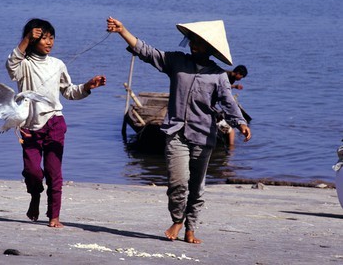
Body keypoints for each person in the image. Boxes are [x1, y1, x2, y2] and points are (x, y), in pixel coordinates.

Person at [107, 16, 251, 243]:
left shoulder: (219, 76)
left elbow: (228, 102)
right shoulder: (176, 62)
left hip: (203, 136)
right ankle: (177, 219)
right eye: (192, 40)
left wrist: (240, 123)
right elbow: (147, 52)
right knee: (177, 182)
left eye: (200, 42)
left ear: (210, 48)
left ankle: (191, 227)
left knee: (196, 186)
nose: (194, 45)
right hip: (176, 132)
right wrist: (123, 31)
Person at [6, 18, 106, 228]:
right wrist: (25, 39)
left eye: (52, 38)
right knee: (33, 172)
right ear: (33, 39)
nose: (49, 42)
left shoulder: (57, 64)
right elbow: (11, 64)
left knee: (54, 173)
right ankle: (35, 195)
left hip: (55, 123)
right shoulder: (24, 64)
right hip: (29, 127)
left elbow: (69, 92)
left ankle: (54, 216)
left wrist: (87, 86)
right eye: (44, 38)